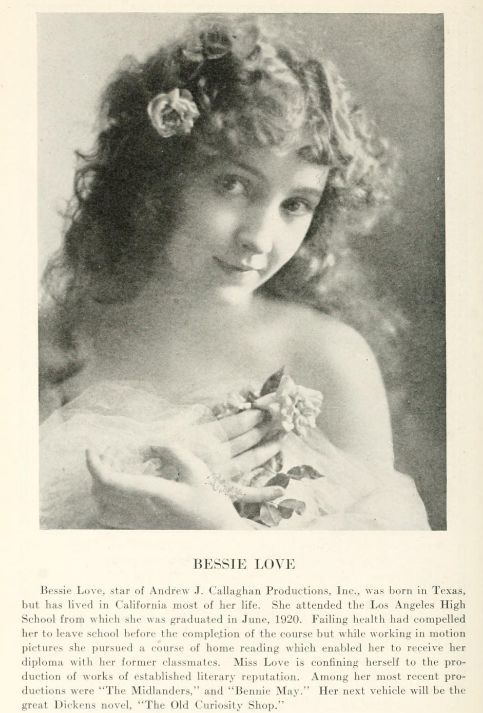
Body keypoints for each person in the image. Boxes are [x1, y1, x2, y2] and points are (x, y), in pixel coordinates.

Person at [39, 16, 430, 530]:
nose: (259, 237)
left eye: (295, 204)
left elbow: (383, 585)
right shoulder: (54, 340)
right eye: (233, 185)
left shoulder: (330, 358)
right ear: (158, 180)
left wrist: (218, 535)